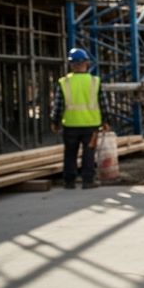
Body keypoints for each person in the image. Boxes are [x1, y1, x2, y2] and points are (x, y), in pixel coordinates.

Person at [51, 47, 110, 189]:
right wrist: (106, 121)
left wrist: (55, 121)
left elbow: (58, 105)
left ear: (71, 65)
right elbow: (103, 103)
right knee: (89, 154)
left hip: (70, 125)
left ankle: (69, 181)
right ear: (86, 63)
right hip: (91, 126)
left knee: (70, 154)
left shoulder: (64, 82)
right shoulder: (95, 81)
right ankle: (88, 181)